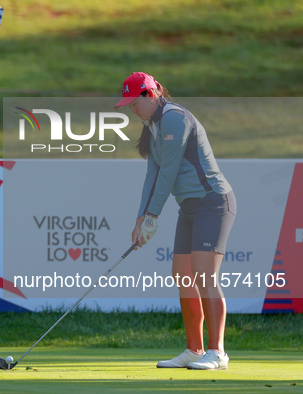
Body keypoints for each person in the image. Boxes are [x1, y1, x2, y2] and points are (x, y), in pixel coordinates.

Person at [114, 72, 237, 370]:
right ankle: (194, 350)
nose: (132, 108)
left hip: (214, 203)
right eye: (128, 103)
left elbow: (168, 173)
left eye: (134, 101)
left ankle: (217, 352)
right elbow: (152, 175)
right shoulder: (153, 127)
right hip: (190, 209)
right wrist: (140, 218)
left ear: (151, 94)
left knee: (204, 275)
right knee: (182, 275)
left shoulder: (174, 118)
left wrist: (153, 217)